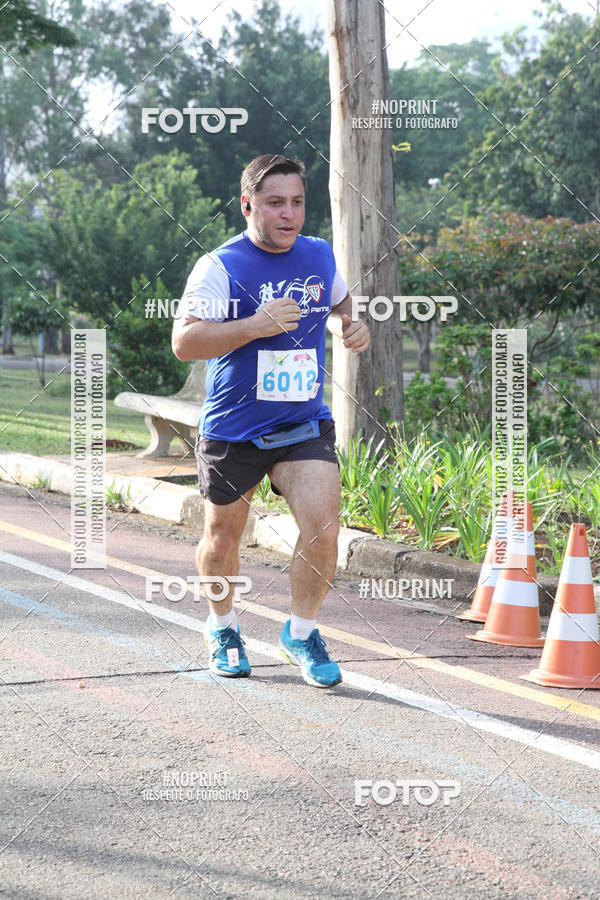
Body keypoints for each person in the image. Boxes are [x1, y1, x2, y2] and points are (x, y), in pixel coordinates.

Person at [172, 154, 370, 688]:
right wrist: (255, 325)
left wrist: (349, 327)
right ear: (248, 206)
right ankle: (223, 627)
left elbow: (341, 304)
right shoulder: (221, 265)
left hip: (302, 422)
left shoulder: (319, 253)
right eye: (276, 202)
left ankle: (301, 634)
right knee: (222, 537)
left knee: (324, 527)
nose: (289, 214)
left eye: (297, 202)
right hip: (235, 426)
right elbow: (184, 341)